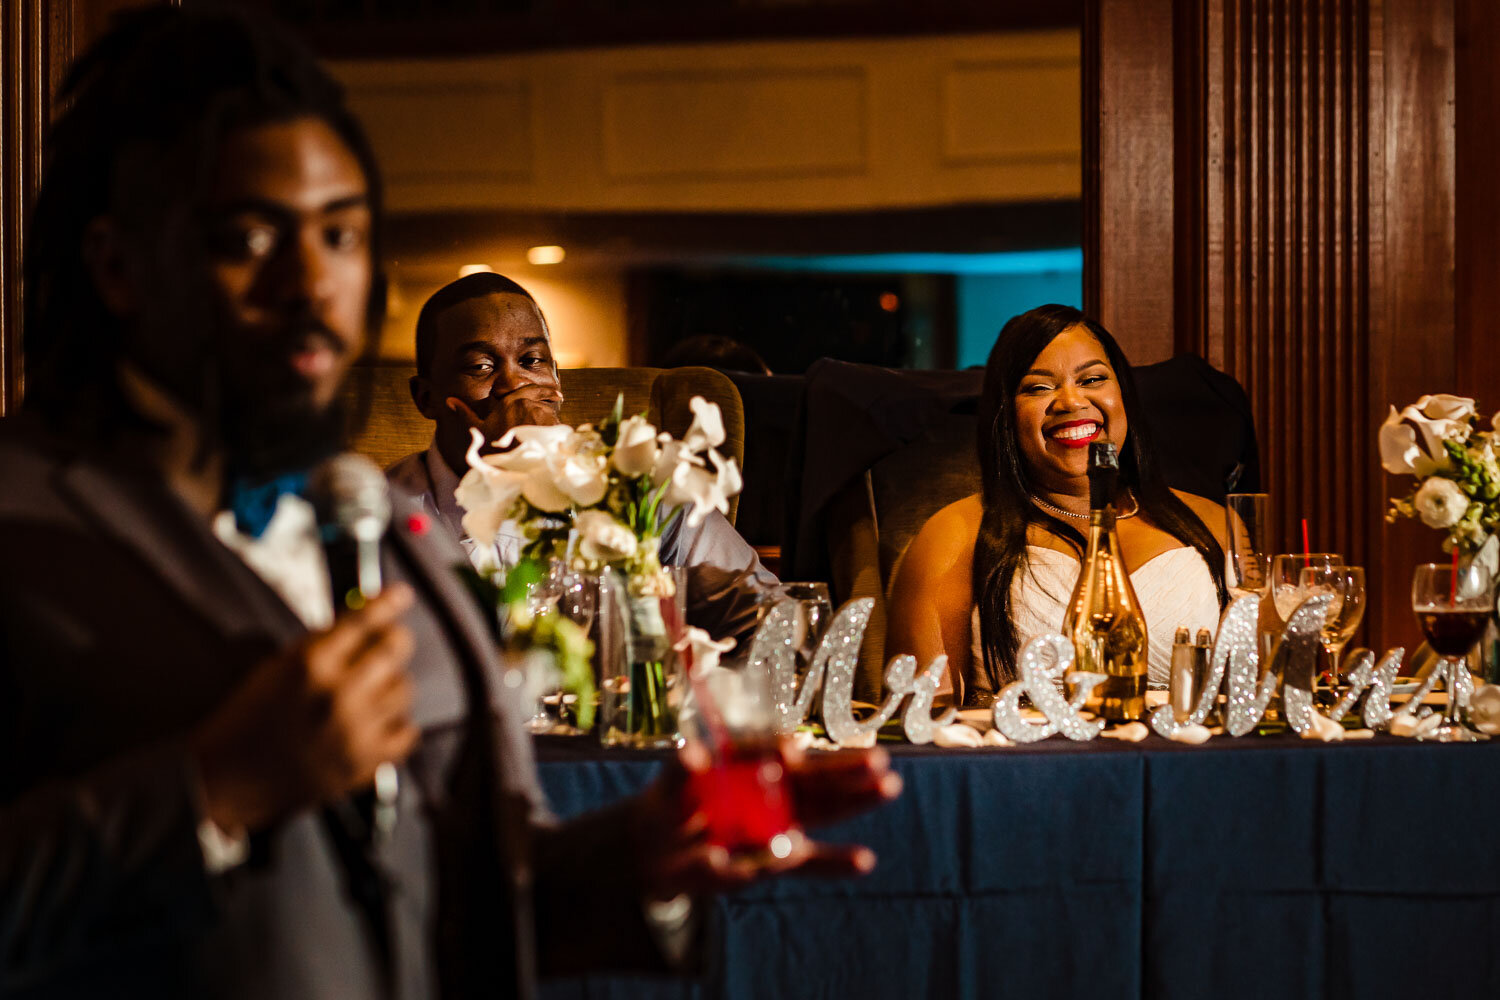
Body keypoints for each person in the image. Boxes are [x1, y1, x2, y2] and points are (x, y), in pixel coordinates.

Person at [0, 9, 899, 998]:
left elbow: (452, 905)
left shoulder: (392, 537)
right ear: (118, 263)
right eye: (248, 236)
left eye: (339, 232)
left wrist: (633, 861)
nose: (312, 282)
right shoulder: (23, 519)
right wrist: (212, 795)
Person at [387, 272, 778, 646]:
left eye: (533, 360)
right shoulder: (380, 516)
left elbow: (776, 618)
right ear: (426, 397)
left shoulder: (639, 486)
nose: (515, 385)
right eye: (481, 367)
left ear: (557, 380)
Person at [885, 304, 1228, 705]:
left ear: (1125, 398)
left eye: (1093, 379)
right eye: (1038, 387)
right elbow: (920, 721)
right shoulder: (953, 536)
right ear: (1005, 415)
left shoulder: (1213, 522)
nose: (1070, 401)